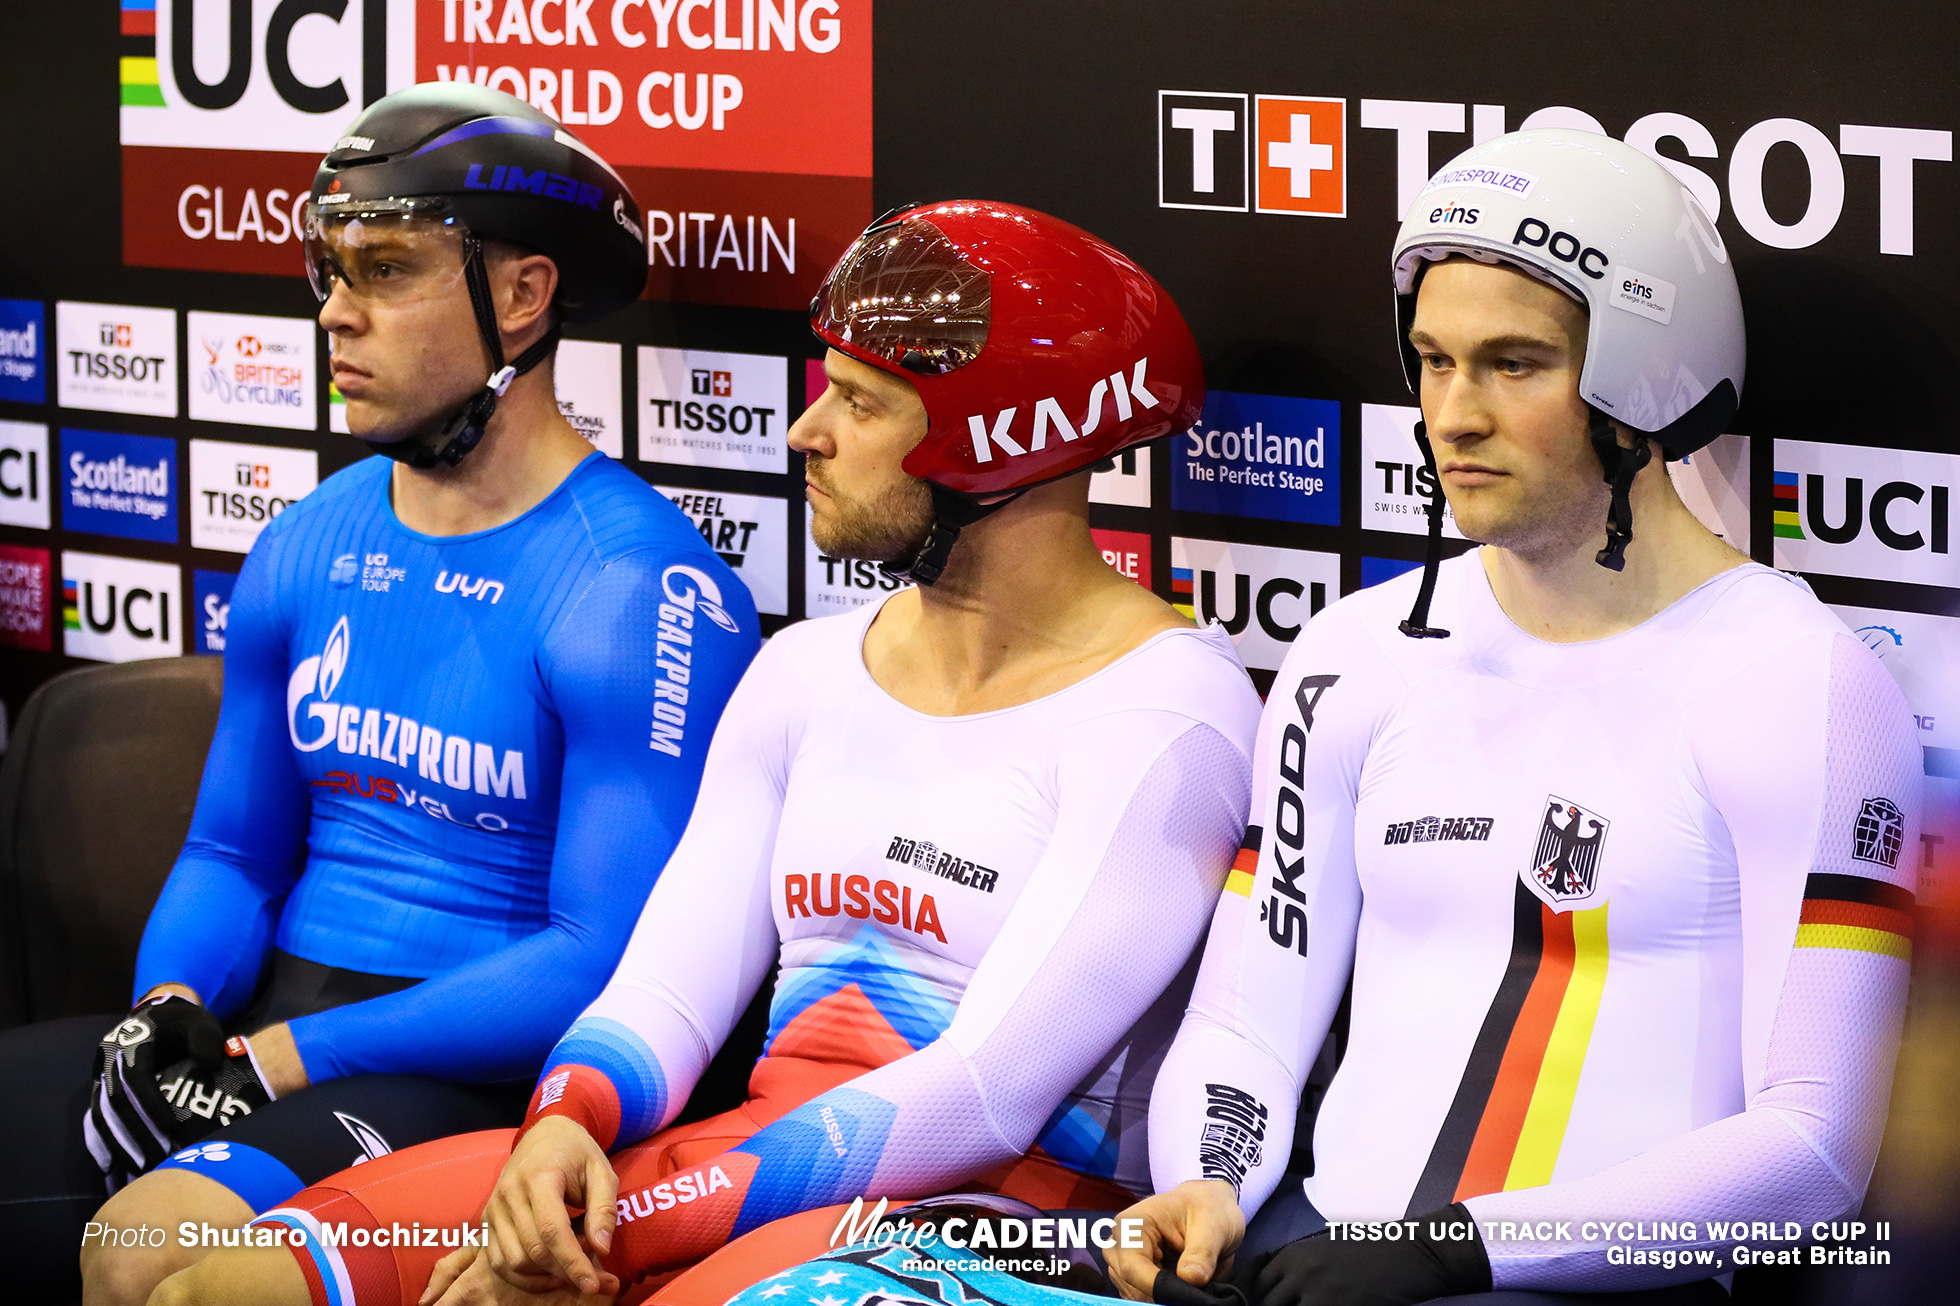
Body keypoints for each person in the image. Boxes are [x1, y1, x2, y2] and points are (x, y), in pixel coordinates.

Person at [148, 200, 1264, 1306]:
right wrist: (561, 1126)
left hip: (1001, 1214)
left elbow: (986, 1097)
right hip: (741, 1166)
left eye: (861, 404)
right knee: (204, 1285)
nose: (805, 430)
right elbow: (669, 985)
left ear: (1001, 447)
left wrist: (621, 1229)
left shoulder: (1170, 713)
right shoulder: (807, 670)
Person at [1106, 130, 1922, 1305]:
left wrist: (1453, 1248)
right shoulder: (1352, 652)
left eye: (1514, 363)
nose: (1453, 413)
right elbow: (1252, 1010)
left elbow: (1812, 1151)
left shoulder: (1802, 683)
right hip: (1320, 1263)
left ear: (1646, 383)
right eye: (1433, 360)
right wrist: (1208, 1185)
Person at [19, 83, 757, 1306]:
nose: (333, 313)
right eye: (326, 269)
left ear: (522, 297)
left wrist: (279, 1062)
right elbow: (229, 853)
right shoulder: (309, 538)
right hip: (265, 1030)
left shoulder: (638, 587)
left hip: (474, 1067)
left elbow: (603, 958)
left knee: (138, 1253)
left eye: (384, 268)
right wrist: (169, 1008)